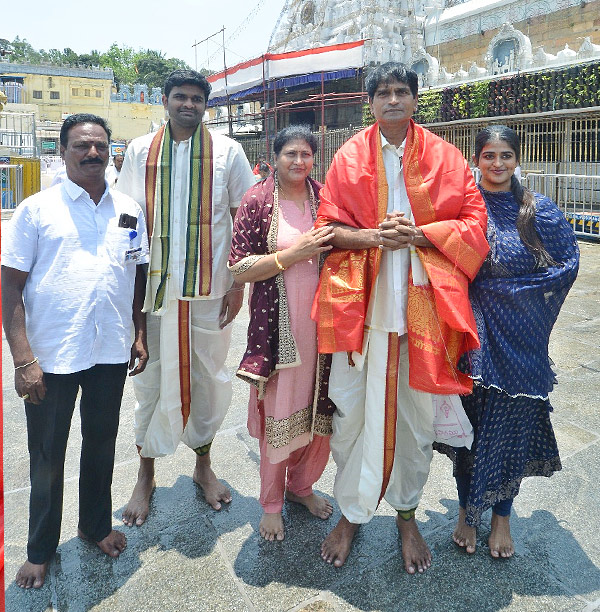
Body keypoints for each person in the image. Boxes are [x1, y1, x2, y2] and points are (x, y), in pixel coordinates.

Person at [313, 61, 489, 573]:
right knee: (349, 421)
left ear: (415, 99)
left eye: (401, 92)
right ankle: (350, 513)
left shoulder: (446, 158)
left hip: (421, 317)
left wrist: (421, 234)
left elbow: (474, 221)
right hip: (361, 318)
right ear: (371, 103)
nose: (392, 100)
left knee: (414, 426)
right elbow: (327, 227)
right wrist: (374, 237)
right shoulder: (348, 158)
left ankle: (406, 515)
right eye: (383, 93)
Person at [2, 113, 149, 590]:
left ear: (111, 151)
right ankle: (40, 550)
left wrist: (138, 333)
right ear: (63, 152)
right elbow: (10, 288)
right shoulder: (36, 210)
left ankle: (95, 526)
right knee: (47, 455)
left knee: (102, 444)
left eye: (100, 146)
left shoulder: (128, 208)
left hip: (109, 348)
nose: (92, 154)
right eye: (81, 146)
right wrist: (23, 359)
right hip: (52, 355)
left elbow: (138, 272)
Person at [117, 69, 255, 526]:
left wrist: (239, 284)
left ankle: (202, 465)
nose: (188, 105)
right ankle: (145, 474)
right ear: (165, 100)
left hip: (209, 290)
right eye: (180, 97)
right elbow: (126, 217)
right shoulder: (140, 150)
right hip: (155, 294)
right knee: (149, 382)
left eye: (197, 99)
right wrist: (125, 292)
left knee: (209, 379)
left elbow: (244, 218)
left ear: (205, 105)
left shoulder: (228, 151)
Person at [439, 125, 579, 558]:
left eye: (505, 156)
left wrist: (513, 294)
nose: (497, 164)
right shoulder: (464, 208)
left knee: (510, 428)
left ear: (517, 160)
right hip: (473, 334)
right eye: (488, 156)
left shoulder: (539, 212)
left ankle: (501, 518)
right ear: (475, 159)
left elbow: (567, 265)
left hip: (521, 338)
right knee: (472, 427)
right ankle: (466, 510)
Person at [229, 126, 335, 541]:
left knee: (319, 413)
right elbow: (239, 268)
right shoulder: (257, 200)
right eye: (291, 153)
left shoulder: (323, 197)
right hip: (278, 333)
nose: (299, 161)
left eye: (306, 154)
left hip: (322, 331)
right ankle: (271, 503)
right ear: (274, 157)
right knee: (279, 414)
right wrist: (294, 254)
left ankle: (301, 487)